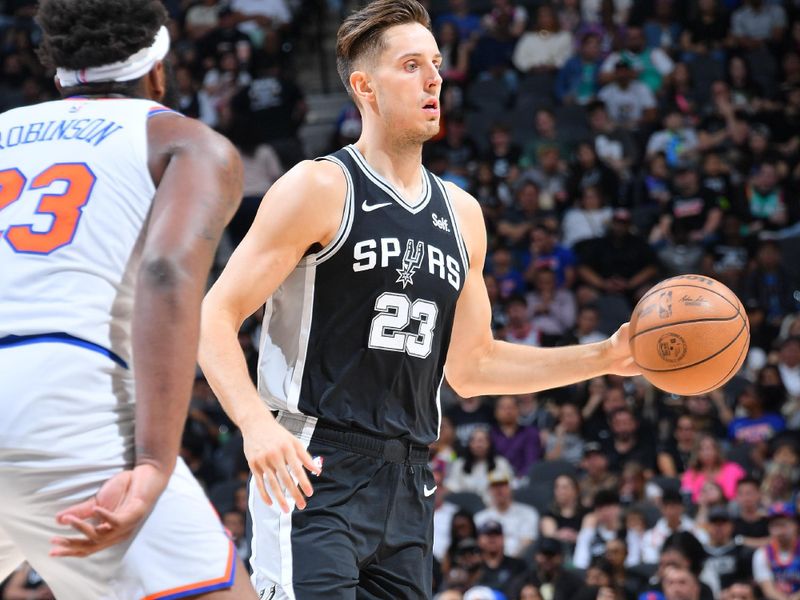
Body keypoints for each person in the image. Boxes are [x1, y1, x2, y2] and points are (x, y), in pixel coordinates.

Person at [198, 1, 639, 598]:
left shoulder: (463, 215)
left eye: (435, 63)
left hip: (409, 480)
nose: (434, 78)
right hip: (314, 465)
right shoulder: (319, 186)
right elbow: (214, 317)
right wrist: (255, 426)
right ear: (364, 87)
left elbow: (473, 367)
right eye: (411, 65)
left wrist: (605, 357)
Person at [0, 0, 253, 598]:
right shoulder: (189, 143)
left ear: (55, 66)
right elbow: (166, 272)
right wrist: (155, 464)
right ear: (159, 68)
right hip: (62, 399)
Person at [752, 502, 800, 600]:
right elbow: (768, 589)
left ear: (796, 525)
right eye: (775, 525)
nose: (780, 530)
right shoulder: (762, 554)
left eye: (783, 524)